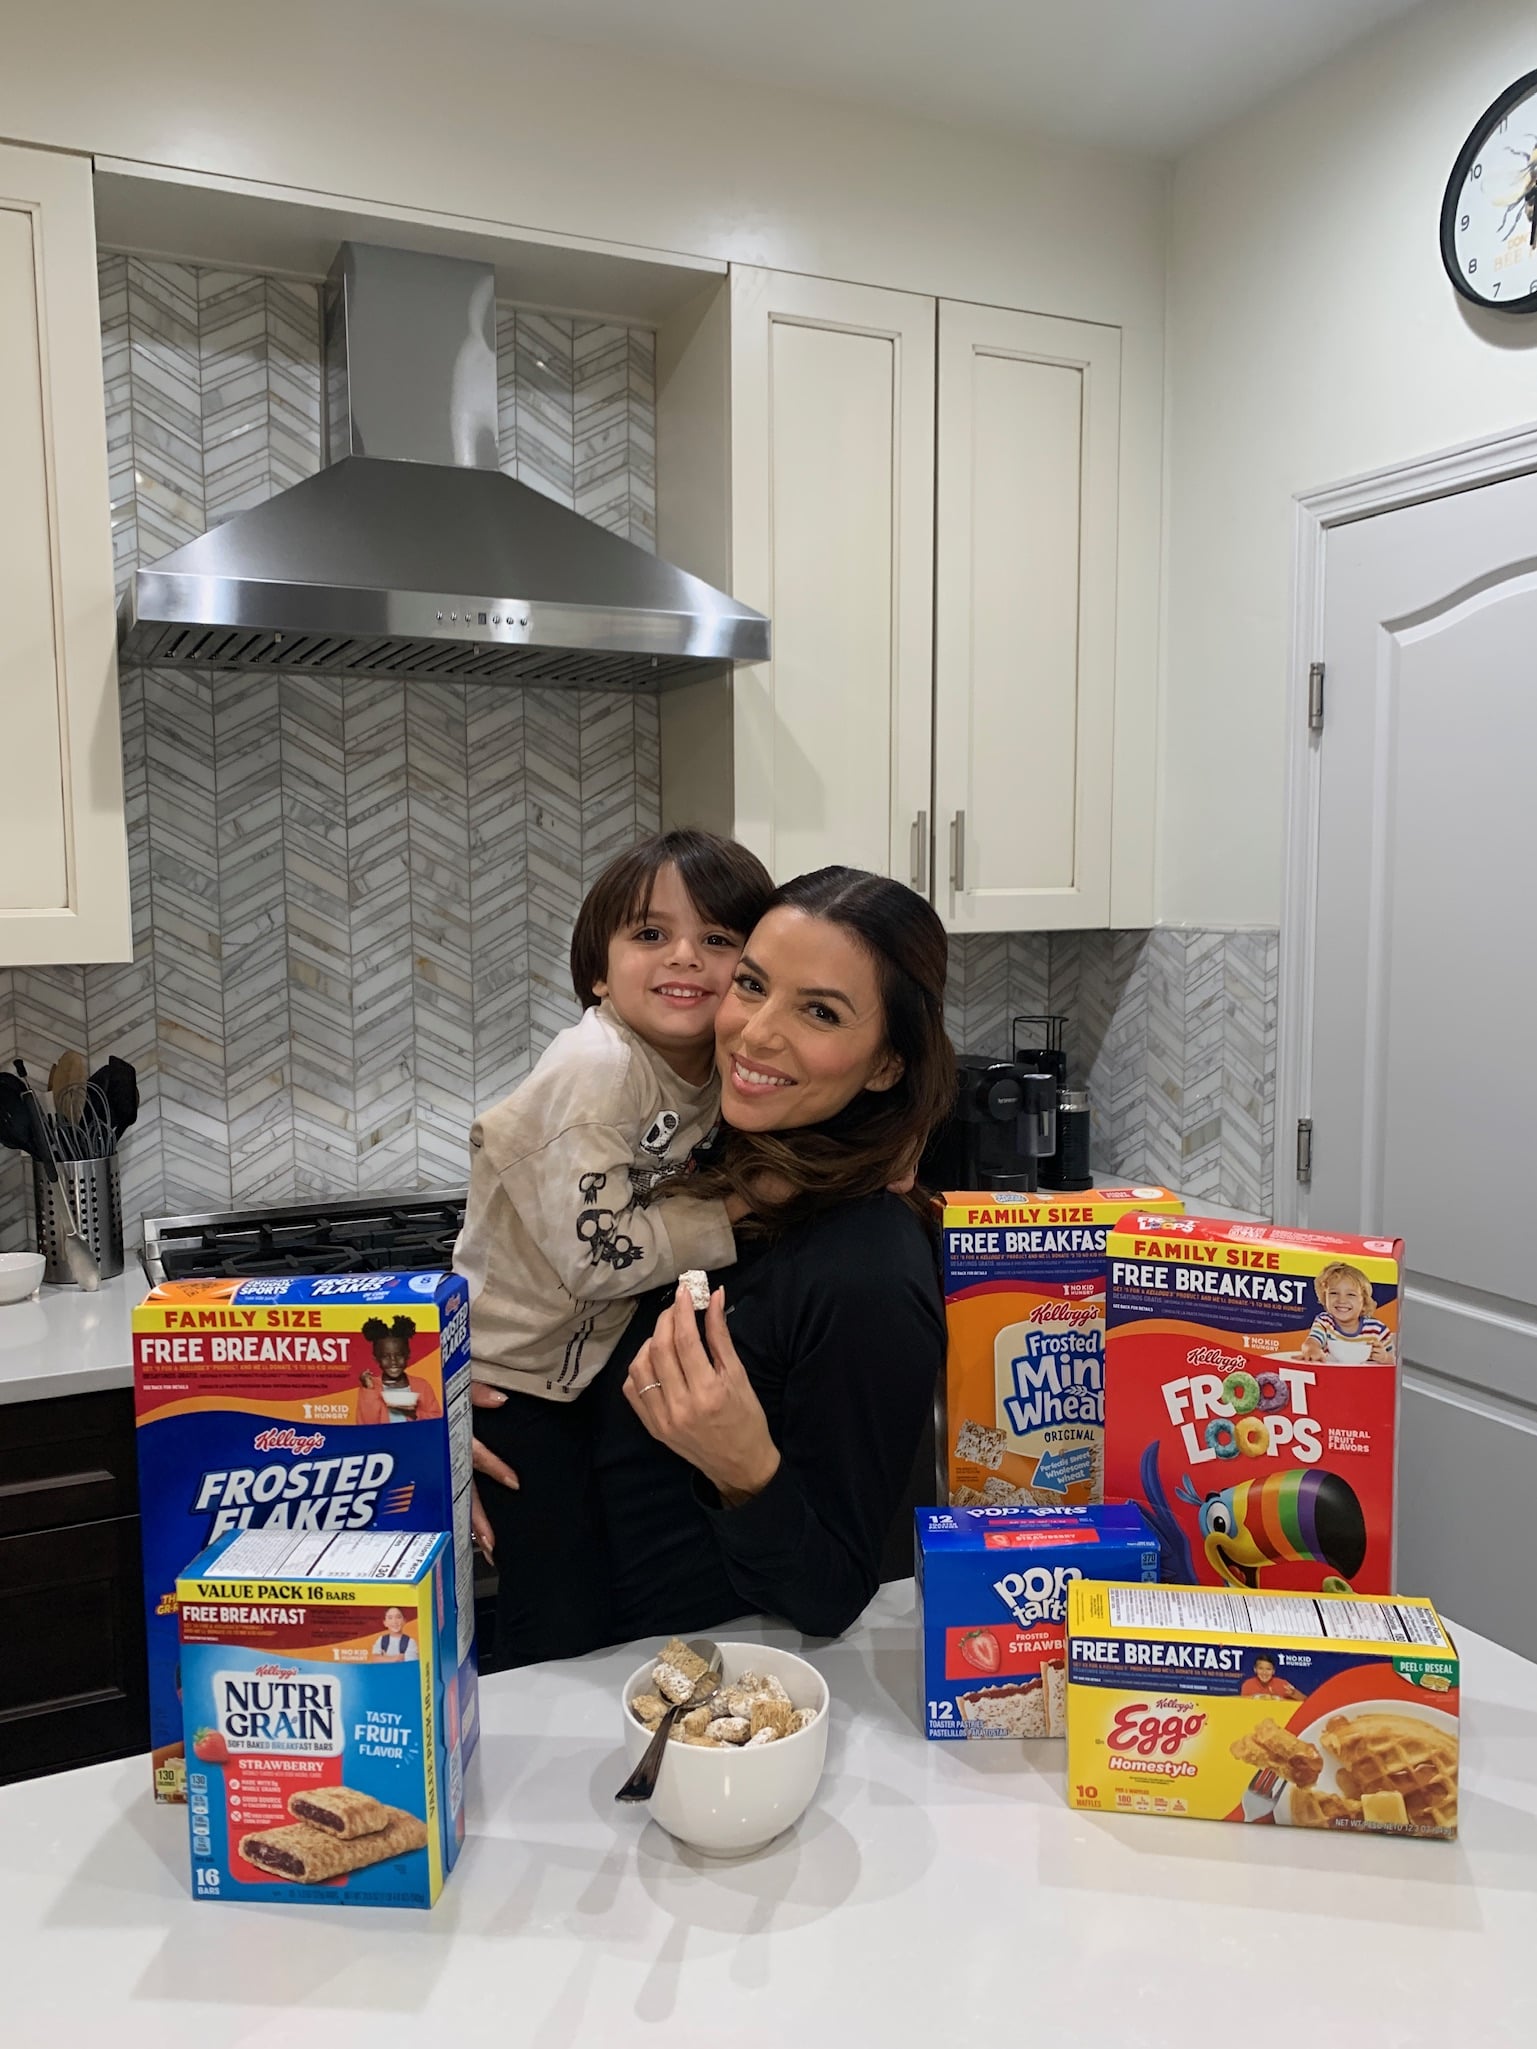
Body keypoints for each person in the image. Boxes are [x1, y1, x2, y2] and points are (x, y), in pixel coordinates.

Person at [474, 865, 954, 1666]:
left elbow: (832, 1591)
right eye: (755, 984)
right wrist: (449, 1412)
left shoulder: (863, 1272)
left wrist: (743, 1467)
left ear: (884, 1064)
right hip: (570, 1667)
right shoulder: (701, 1155)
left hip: (700, 1705)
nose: (757, 1031)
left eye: (820, 1011)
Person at [456, 829, 774, 1586]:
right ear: (598, 969)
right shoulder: (597, 1067)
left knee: (602, 1590)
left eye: (719, 937)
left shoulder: (714, 1068)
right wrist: (741, 1206)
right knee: (555, 1608)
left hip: (583, 1372)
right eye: (651, 933)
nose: (685, 955)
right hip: (511, 1383)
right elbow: (601, 1257)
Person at [1297, 1261, 1394, 1363]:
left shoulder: (1377, 1329)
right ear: (1324, 1297)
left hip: (1365, 1378)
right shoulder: (1325, 1322)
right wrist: (1312, 1350)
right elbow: (1311, 1342)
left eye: (1351, 1294)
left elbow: (1394, 1361)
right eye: (1334, 1293)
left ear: (1364, 1301)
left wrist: (1385, 1358)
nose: (1341, 1300)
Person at [356, 1314, 443, 1423]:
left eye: (399, 1355)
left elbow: (436, 1420)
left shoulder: (422, 1386)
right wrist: (368, 1389)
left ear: (408, 1355)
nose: (393, 1361)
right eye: (385, 1356)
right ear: (376, 1359)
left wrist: (413, 1414)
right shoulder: (371, 1388)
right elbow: (366, 1423)